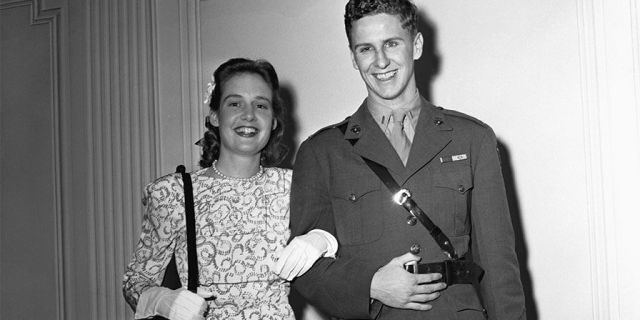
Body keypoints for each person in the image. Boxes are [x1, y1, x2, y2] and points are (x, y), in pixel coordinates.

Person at [289, 0, 526, 319]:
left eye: (391, 43)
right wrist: (369, 285)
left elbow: (499, 267)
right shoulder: (322, 152)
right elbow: (306, 270)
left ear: (416, 45)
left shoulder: (471, 138)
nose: (381, 61)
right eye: (366, 49)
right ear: (353, 58)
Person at [123, 58, 338, 320]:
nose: (249, 115)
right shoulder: (172, 193)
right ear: (214, 115)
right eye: (235, 103)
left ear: (272, 121)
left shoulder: (295, 186)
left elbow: (345, 246)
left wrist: (324, 239)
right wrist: (162, 300)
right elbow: (136, 279)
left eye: (261, 105)